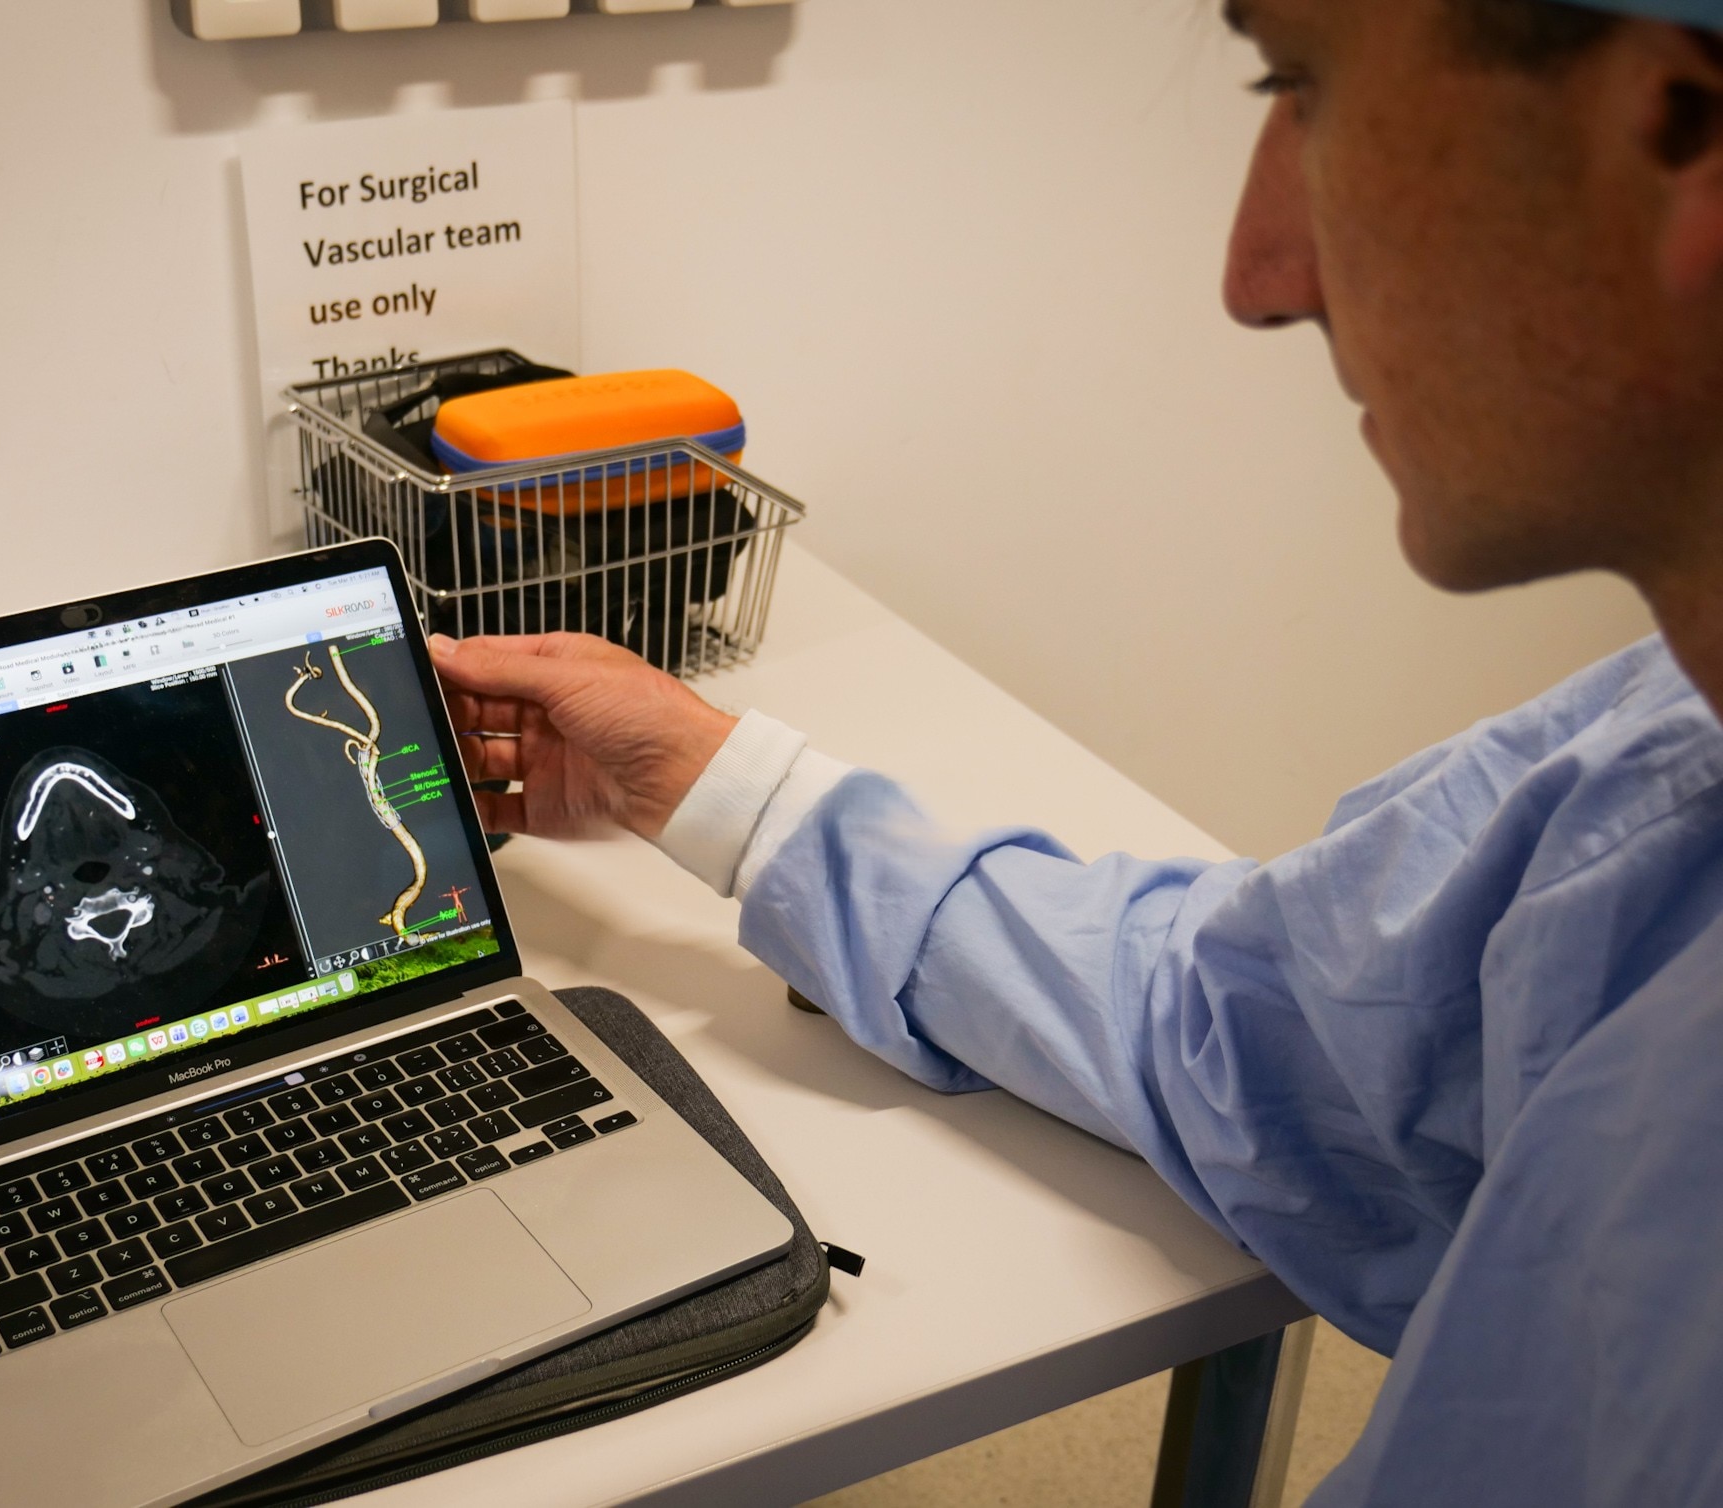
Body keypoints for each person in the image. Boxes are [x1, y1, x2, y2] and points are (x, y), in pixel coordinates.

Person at [431, 1, 1723, 1501]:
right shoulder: (1656, 771)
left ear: (1680, 135)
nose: (1257, 280)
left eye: (1299, 84)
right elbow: (1244, 1031)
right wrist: (717, 785)